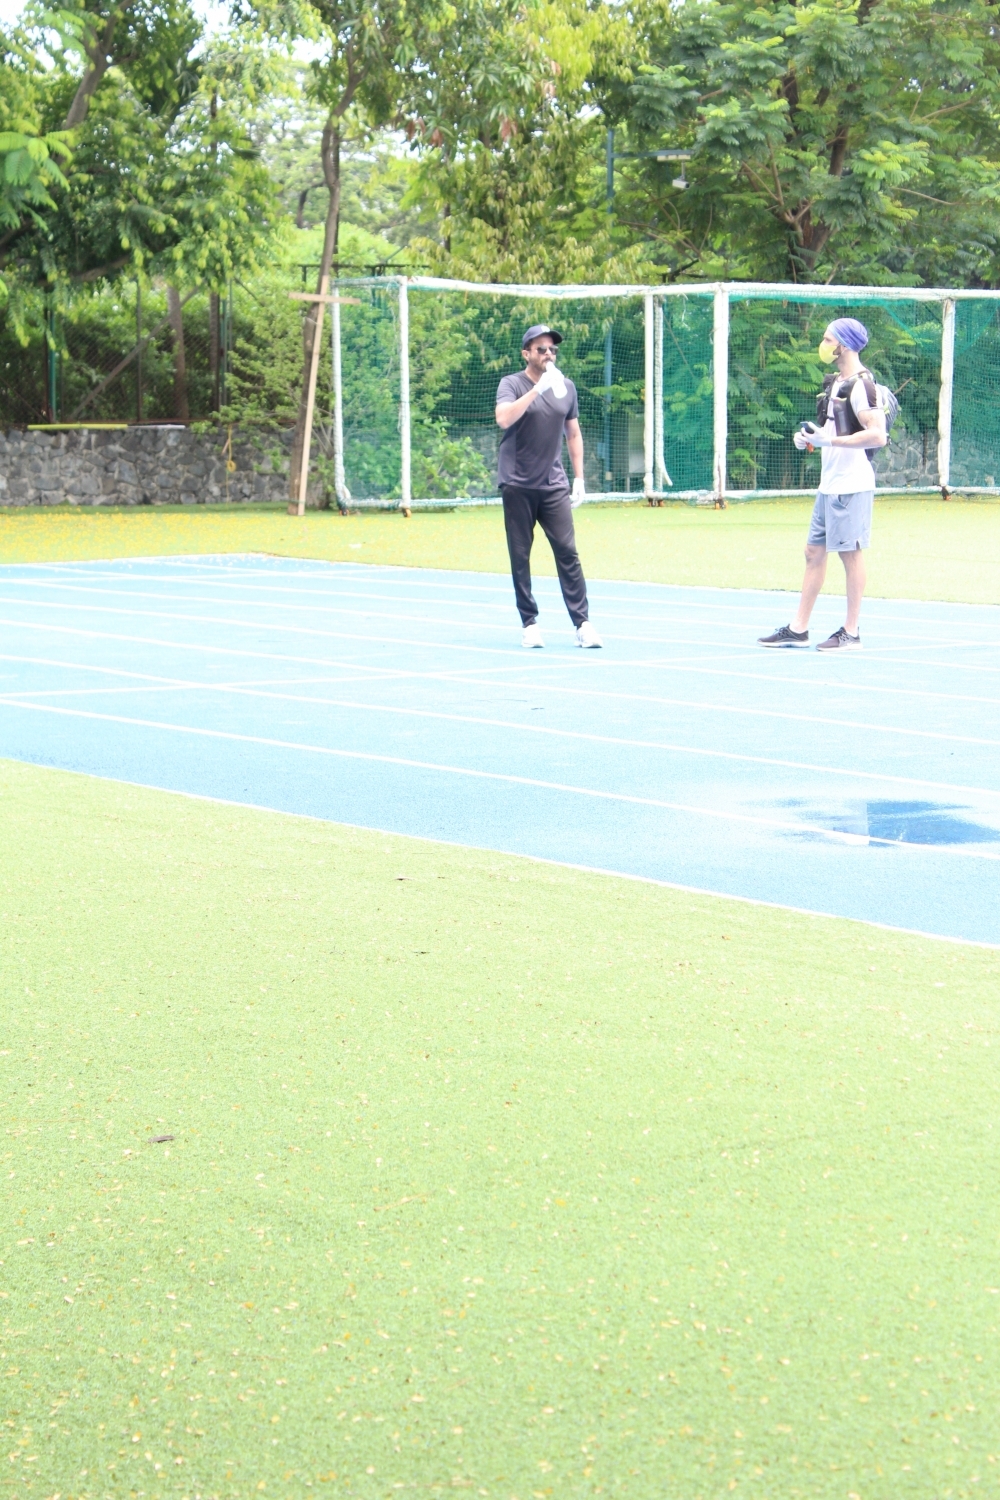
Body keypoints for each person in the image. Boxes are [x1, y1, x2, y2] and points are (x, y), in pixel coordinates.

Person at [758, 317, 887, 652]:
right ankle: (798, 629)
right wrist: (811, 439)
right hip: (829, 483)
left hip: (852, 484)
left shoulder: (862, 385)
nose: (824, 344)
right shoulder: (834, 382)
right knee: (813, 552)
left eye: (828, 339)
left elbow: (877, 435)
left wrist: (831, 443)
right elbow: (829, 430)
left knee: (850, 554)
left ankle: (851, 631)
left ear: (842, 345)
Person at [495, 324, 602, 649]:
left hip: (552, 484)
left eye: (552, 349)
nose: (548, 354)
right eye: (541, 349)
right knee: (520, 554)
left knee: (568, 552)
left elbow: (573, 433)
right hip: (517, 482)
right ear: (526, 353)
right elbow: (503, 418)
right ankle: (529, 623)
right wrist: (537, 390)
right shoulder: (511, 383)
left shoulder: (566, 387)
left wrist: (579, 477)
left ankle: (582, 623)